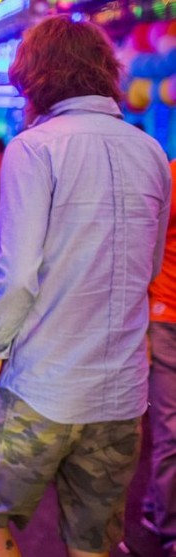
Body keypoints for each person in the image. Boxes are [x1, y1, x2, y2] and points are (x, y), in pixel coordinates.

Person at [0, 16, 171, 557]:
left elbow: (15, 273)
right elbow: (147, 271)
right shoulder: (150, 152)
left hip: (41, 384)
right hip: (121, 392)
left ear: (36, 77)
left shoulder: (34, 148)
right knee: (93, 543)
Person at [143, 159, 176, 555]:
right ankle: (170, 529)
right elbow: (148, 247)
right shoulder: (170, 176)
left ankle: (157, 500)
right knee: (170, 428)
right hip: (167, 314)